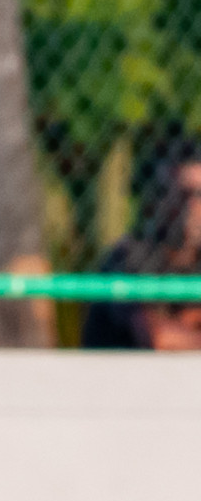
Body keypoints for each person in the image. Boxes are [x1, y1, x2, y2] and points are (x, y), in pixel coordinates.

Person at [83, 143, 201, 349]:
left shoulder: (195, 257)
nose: (194, 205)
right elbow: (158, 339)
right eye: (191, 194)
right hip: (120, 375)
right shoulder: (128, 255)